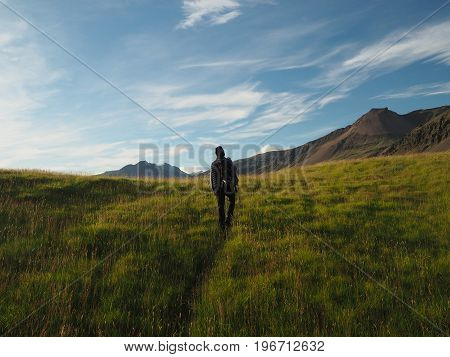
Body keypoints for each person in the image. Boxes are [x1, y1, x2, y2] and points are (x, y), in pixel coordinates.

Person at [210, 146, 239, 231]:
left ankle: (223, 224)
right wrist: (234, 184)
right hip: (227, 186)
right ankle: (227, 221)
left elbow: (212, 178)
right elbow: (233, 173)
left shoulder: (214, 163)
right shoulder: (228, 161)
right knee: (231, 202)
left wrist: (214, 189)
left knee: (221, 206)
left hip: (220, 188)